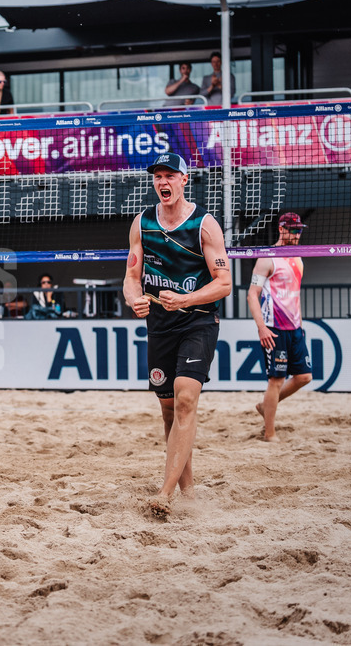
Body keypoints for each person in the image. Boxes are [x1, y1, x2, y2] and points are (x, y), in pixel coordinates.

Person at [122, 151, 231, 517]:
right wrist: (134, 299)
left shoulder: (205, 225)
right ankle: (188, 490)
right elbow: (131, 278)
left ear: (185, 179)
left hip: (198, 320)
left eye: (170, 175)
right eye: (158, 176)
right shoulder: (142, 223)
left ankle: (164, 494)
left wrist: (185, 299)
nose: (163, 181)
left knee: (185, 399)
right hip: (160, 325)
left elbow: (224, 283)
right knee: (169, 410)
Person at [247, 212, 313, 442]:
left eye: (299, 230)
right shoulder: (267, 258)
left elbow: (295, 295)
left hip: (295, 328)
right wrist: (261, 328)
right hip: (274, 328)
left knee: (304, 377)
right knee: (276, 380)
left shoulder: (298, 257)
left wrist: (300, 325)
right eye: (293, 230)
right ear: (282, 229)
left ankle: (265, 406)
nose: (297, 234)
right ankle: (269, 434)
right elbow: (252, 295)